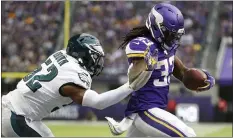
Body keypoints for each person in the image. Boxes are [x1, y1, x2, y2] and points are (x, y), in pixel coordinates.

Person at [1, 33, 157, 137]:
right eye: (95, 57)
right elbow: (99, 102)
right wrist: (130, 87)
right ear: (83, 55)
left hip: (13, 108)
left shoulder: (62, 55)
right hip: (17, 117)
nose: (98, 63)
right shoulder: (73, 76)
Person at [105, 3, 215, 137]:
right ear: (157, 28)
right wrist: (147, 61)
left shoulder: (166, 47)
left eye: (176, 35)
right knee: (188, 135)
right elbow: (134, 75)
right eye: (170, 34)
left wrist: (203, 78)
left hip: (152, 108)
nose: (173, 39)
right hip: (145, 109)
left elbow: (182, 72)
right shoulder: (143, 45)